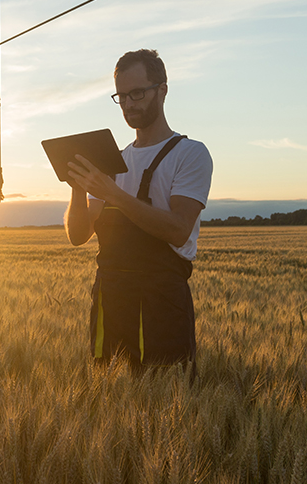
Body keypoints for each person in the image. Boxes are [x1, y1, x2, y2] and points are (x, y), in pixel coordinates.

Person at [64, 49, 213, 375]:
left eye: (138, 93)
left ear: (162, 89)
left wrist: (113, 193)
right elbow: (78, 236)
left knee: (166, 403)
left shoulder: (190, 154)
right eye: (122, 96)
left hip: (161, 303)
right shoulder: (112, 161)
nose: (129, 104)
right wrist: (78, 186)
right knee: (109, 405)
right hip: (110, 301)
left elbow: (178, 229)